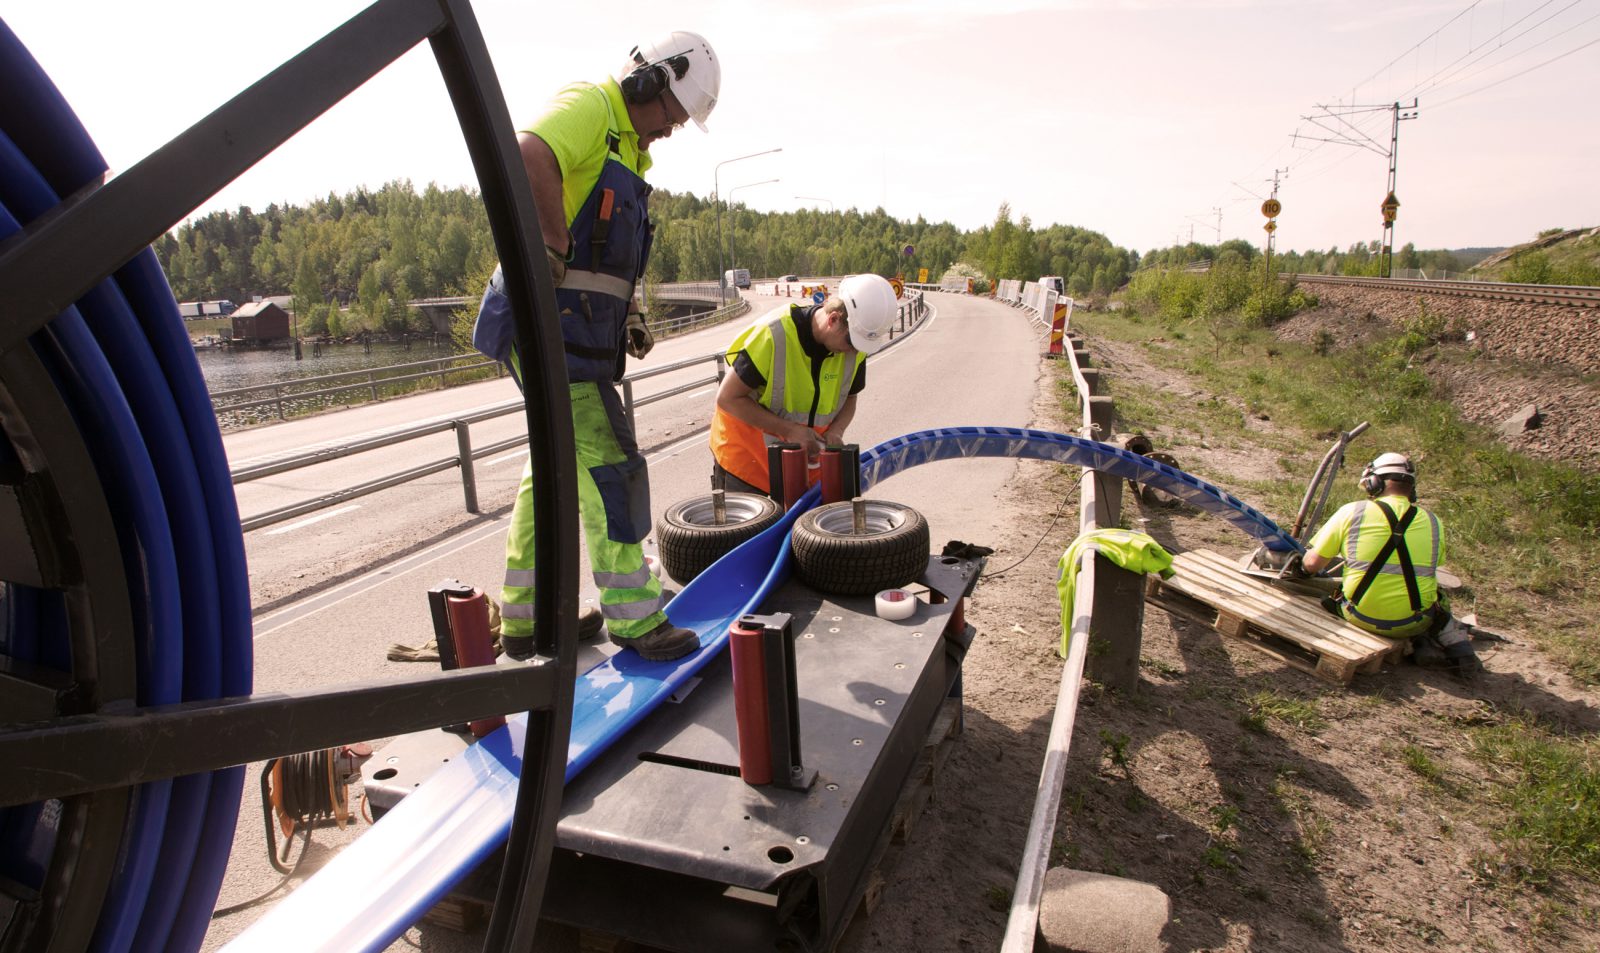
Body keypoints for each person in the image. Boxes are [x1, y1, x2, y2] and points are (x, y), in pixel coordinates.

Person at [473, 32, 720, 662]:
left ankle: (526, 619)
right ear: (649, 84)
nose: (669, 131)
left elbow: (610, 251)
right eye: (671, 115)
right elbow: (527, 152)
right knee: (608, 457)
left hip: (579, 329)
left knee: (549, 470)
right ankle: (635, 618)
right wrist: (551, 241)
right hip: (549, 326)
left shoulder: (629, 156)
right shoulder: (592, 105)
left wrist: (631, 311)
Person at [709, 274, 900, 493]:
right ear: (833, 319)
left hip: (804, 471)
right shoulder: (774, 336)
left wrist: (836, 431)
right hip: (747, 465)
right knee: (761, 529)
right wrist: (788, 430)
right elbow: (727, 398)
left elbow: (851, 397)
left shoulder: (854, 351)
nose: (854, 350)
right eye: (852, 341)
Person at [1300, 452, 1483, 677]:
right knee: (1438, 596)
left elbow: (1311, 564)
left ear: (1374, 482)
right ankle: (1449, 644)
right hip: (1413, 622)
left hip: (1356, 614)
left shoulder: (1352, 511)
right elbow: (1435, 564)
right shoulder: (1434, 522)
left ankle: (1422, 643)